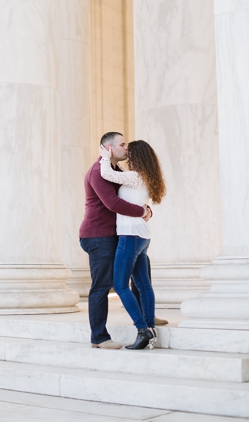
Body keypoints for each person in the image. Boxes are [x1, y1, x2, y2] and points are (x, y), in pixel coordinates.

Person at [78, 132, 151, 349]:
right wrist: (141, 212)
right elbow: (112, 203)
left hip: (118, 233)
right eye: (122, 144)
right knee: (102, 286)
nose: (126, 148)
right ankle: (99, 337)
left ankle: (147, 318)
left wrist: (146, 210)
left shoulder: (115, 171)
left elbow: (130, 196)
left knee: (141, 274)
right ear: (108, 148)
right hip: (98, 235)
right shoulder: (98, 172)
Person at [98, 139, 166, 350]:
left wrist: (104, 157)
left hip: (130, 236)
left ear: (137, 157)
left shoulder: (135, 177)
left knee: (119, 285)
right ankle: (151, 328)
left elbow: (107, 174)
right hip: (142, 236)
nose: (126, 153)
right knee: (143, 285)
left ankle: (142, 329)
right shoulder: (145, 177)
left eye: (130, 151)